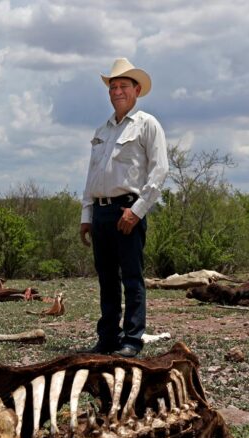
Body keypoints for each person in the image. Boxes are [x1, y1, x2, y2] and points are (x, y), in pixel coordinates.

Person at [80, 57, 168, 358]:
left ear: (137, 89)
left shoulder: (147, 124)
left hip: (127, 210)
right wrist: (86, 215)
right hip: (102, 211)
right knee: (107, 279)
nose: (117, 91)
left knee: (131, 277)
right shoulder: (102, 131)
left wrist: (138, 210)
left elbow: (159, 171)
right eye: (113, 86)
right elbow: (92, 174)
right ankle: (107, 337)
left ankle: (132, 339)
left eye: (123, 86)